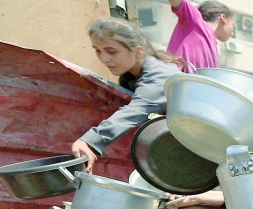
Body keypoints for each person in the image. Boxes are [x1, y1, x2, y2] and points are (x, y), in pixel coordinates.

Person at [72, 18, 181, 172]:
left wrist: (89, 141)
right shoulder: (133, 74)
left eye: (111, 51)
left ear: (138, 51)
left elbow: (134, 111)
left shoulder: (158, 77)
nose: (104, 59)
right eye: (98, 50)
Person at [166, 0, 234, 72]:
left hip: (191, 82)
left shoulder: (214, 49)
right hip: (174, 78)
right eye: (233, 25)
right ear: (223, 18)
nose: (232, 33)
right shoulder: (194, 19)